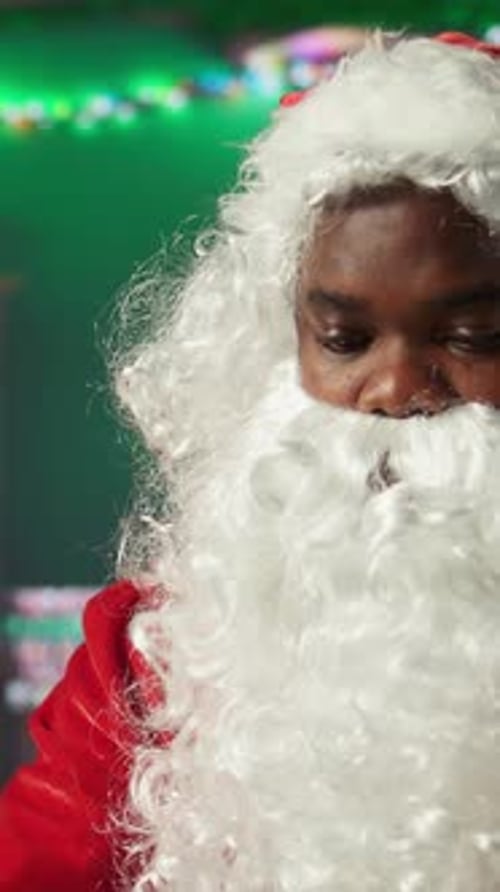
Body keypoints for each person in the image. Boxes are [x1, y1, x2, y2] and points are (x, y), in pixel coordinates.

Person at [2, 29, 500, 892]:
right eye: (343, 339)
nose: (391, 389)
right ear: (285, 343)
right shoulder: (154, 654)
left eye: (472, 337)